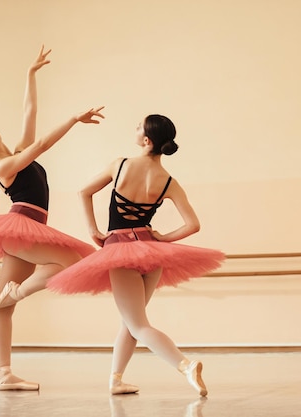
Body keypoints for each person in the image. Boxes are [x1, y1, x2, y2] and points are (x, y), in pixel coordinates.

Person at [0, 45, 104, 391]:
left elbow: (29, 112)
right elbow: (42, 145)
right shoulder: (3, 166)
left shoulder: (15, 152)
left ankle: (3, 375)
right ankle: (16, 294)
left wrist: (30, 74)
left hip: (31, 230)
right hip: (21, 227)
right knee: (70, 263)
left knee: (1, 306)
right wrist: (74, 120)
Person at [47, 114, 225, 397]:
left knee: (138, 324)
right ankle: (116, 380)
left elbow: (83, 192)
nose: (135, 127)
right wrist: (164, 238)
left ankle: (185, 365)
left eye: (139, 126)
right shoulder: (168, 181)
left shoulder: (121, 165)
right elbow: (193, 224)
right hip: (151, 252)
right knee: (130, 321)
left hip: (119, 250)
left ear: (146, 140)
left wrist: (93, 230)